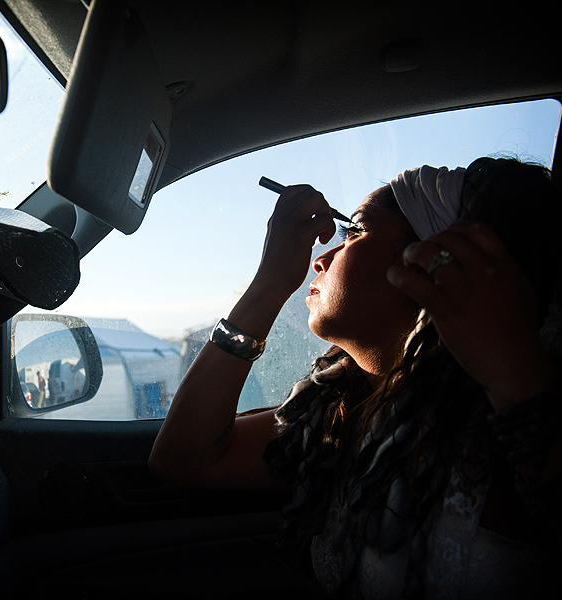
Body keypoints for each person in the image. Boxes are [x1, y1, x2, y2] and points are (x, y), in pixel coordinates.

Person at [149, 157, 562, 598]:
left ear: (437, 269)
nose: (320, 259)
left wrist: (516, 378)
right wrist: (270, 282)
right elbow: (184, 459)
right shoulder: (335, 413)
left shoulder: (516, 429)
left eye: (355, 231)